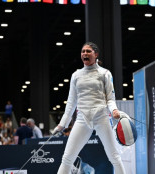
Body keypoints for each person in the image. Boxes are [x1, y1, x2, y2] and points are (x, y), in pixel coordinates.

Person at [53, 42, 126, 174]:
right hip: (82, 119)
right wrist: (62, 124)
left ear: (95, 54)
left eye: (88, 51)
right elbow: (71, 102)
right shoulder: (76, 75)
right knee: (67, 158)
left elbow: (110, 98)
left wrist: (114, 110)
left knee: (114, 156)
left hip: (101, 117)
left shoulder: (105, 73)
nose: (84, 53)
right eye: (83, 51)